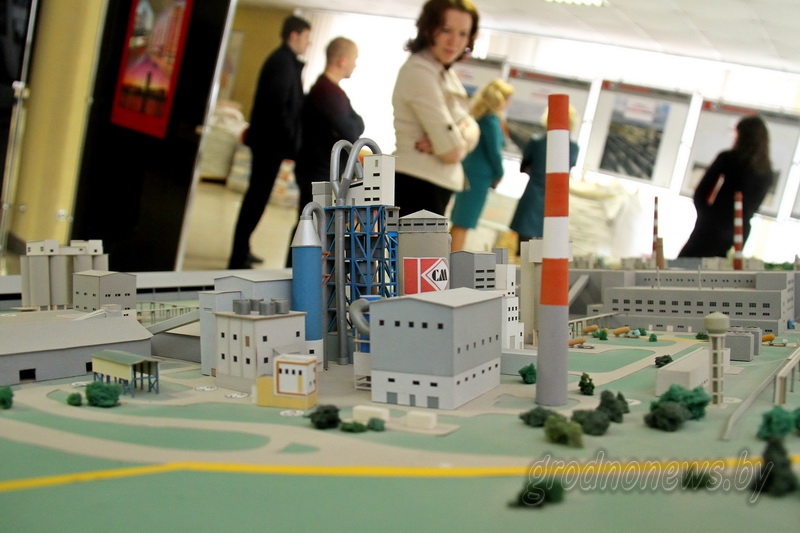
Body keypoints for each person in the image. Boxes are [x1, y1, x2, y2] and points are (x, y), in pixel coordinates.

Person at [227, 15, 311, 269]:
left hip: (271, 144)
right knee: (256, 199)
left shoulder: (286, 61)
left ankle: (243, 249)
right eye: (306, 38)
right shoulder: (282, 62)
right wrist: (290, 140)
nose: (308, 43)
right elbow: (278, 107)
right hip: (269, 145)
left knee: (257, 199)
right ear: (293, 36)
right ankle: (237, 256)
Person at [391, 0, 481, 218]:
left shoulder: (443, 72)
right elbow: (452, 153)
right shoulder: (420, 71)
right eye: (446, 30)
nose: (454, 41)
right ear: (428, 28)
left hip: (431, 187)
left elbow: (472, 127)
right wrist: (456, 139)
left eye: (463, 33)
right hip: (416, 186)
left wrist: (454, 136)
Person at [287, 36, 365, 267]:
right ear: (342, 60)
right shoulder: (327, 93)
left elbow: (356, 124)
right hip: (317, 172)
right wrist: (352, 124)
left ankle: (302, 271)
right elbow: (352, 129)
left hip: (320, 169)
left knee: (313, 225)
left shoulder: (333, 92)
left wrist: (352, 124)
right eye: (354, 59)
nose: (355, 65)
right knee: (310, 226)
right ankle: (297, 272)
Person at [678, 115, 773, 258]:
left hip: (713, 226)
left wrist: (706, 215)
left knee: (686, 265)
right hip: (740, 231)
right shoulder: (766, 172)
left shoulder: (729, 158)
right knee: (721, 270)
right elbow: (753, 208)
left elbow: (701, 192)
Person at [449, 79, 514, 251]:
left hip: (469, 171)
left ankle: (447, 258)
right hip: (478, 178)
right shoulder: (491, 120)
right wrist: (500, 173)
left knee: (459, 220)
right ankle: (453, 261)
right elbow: (495, 152)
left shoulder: (479, 117)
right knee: (464, 222)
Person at [509, 105, 580, 254]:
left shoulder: (537, 143)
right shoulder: (573, 148)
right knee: (545, 247)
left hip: (533, 196)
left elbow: (524, 167)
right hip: (555, 200)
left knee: (523, 247)